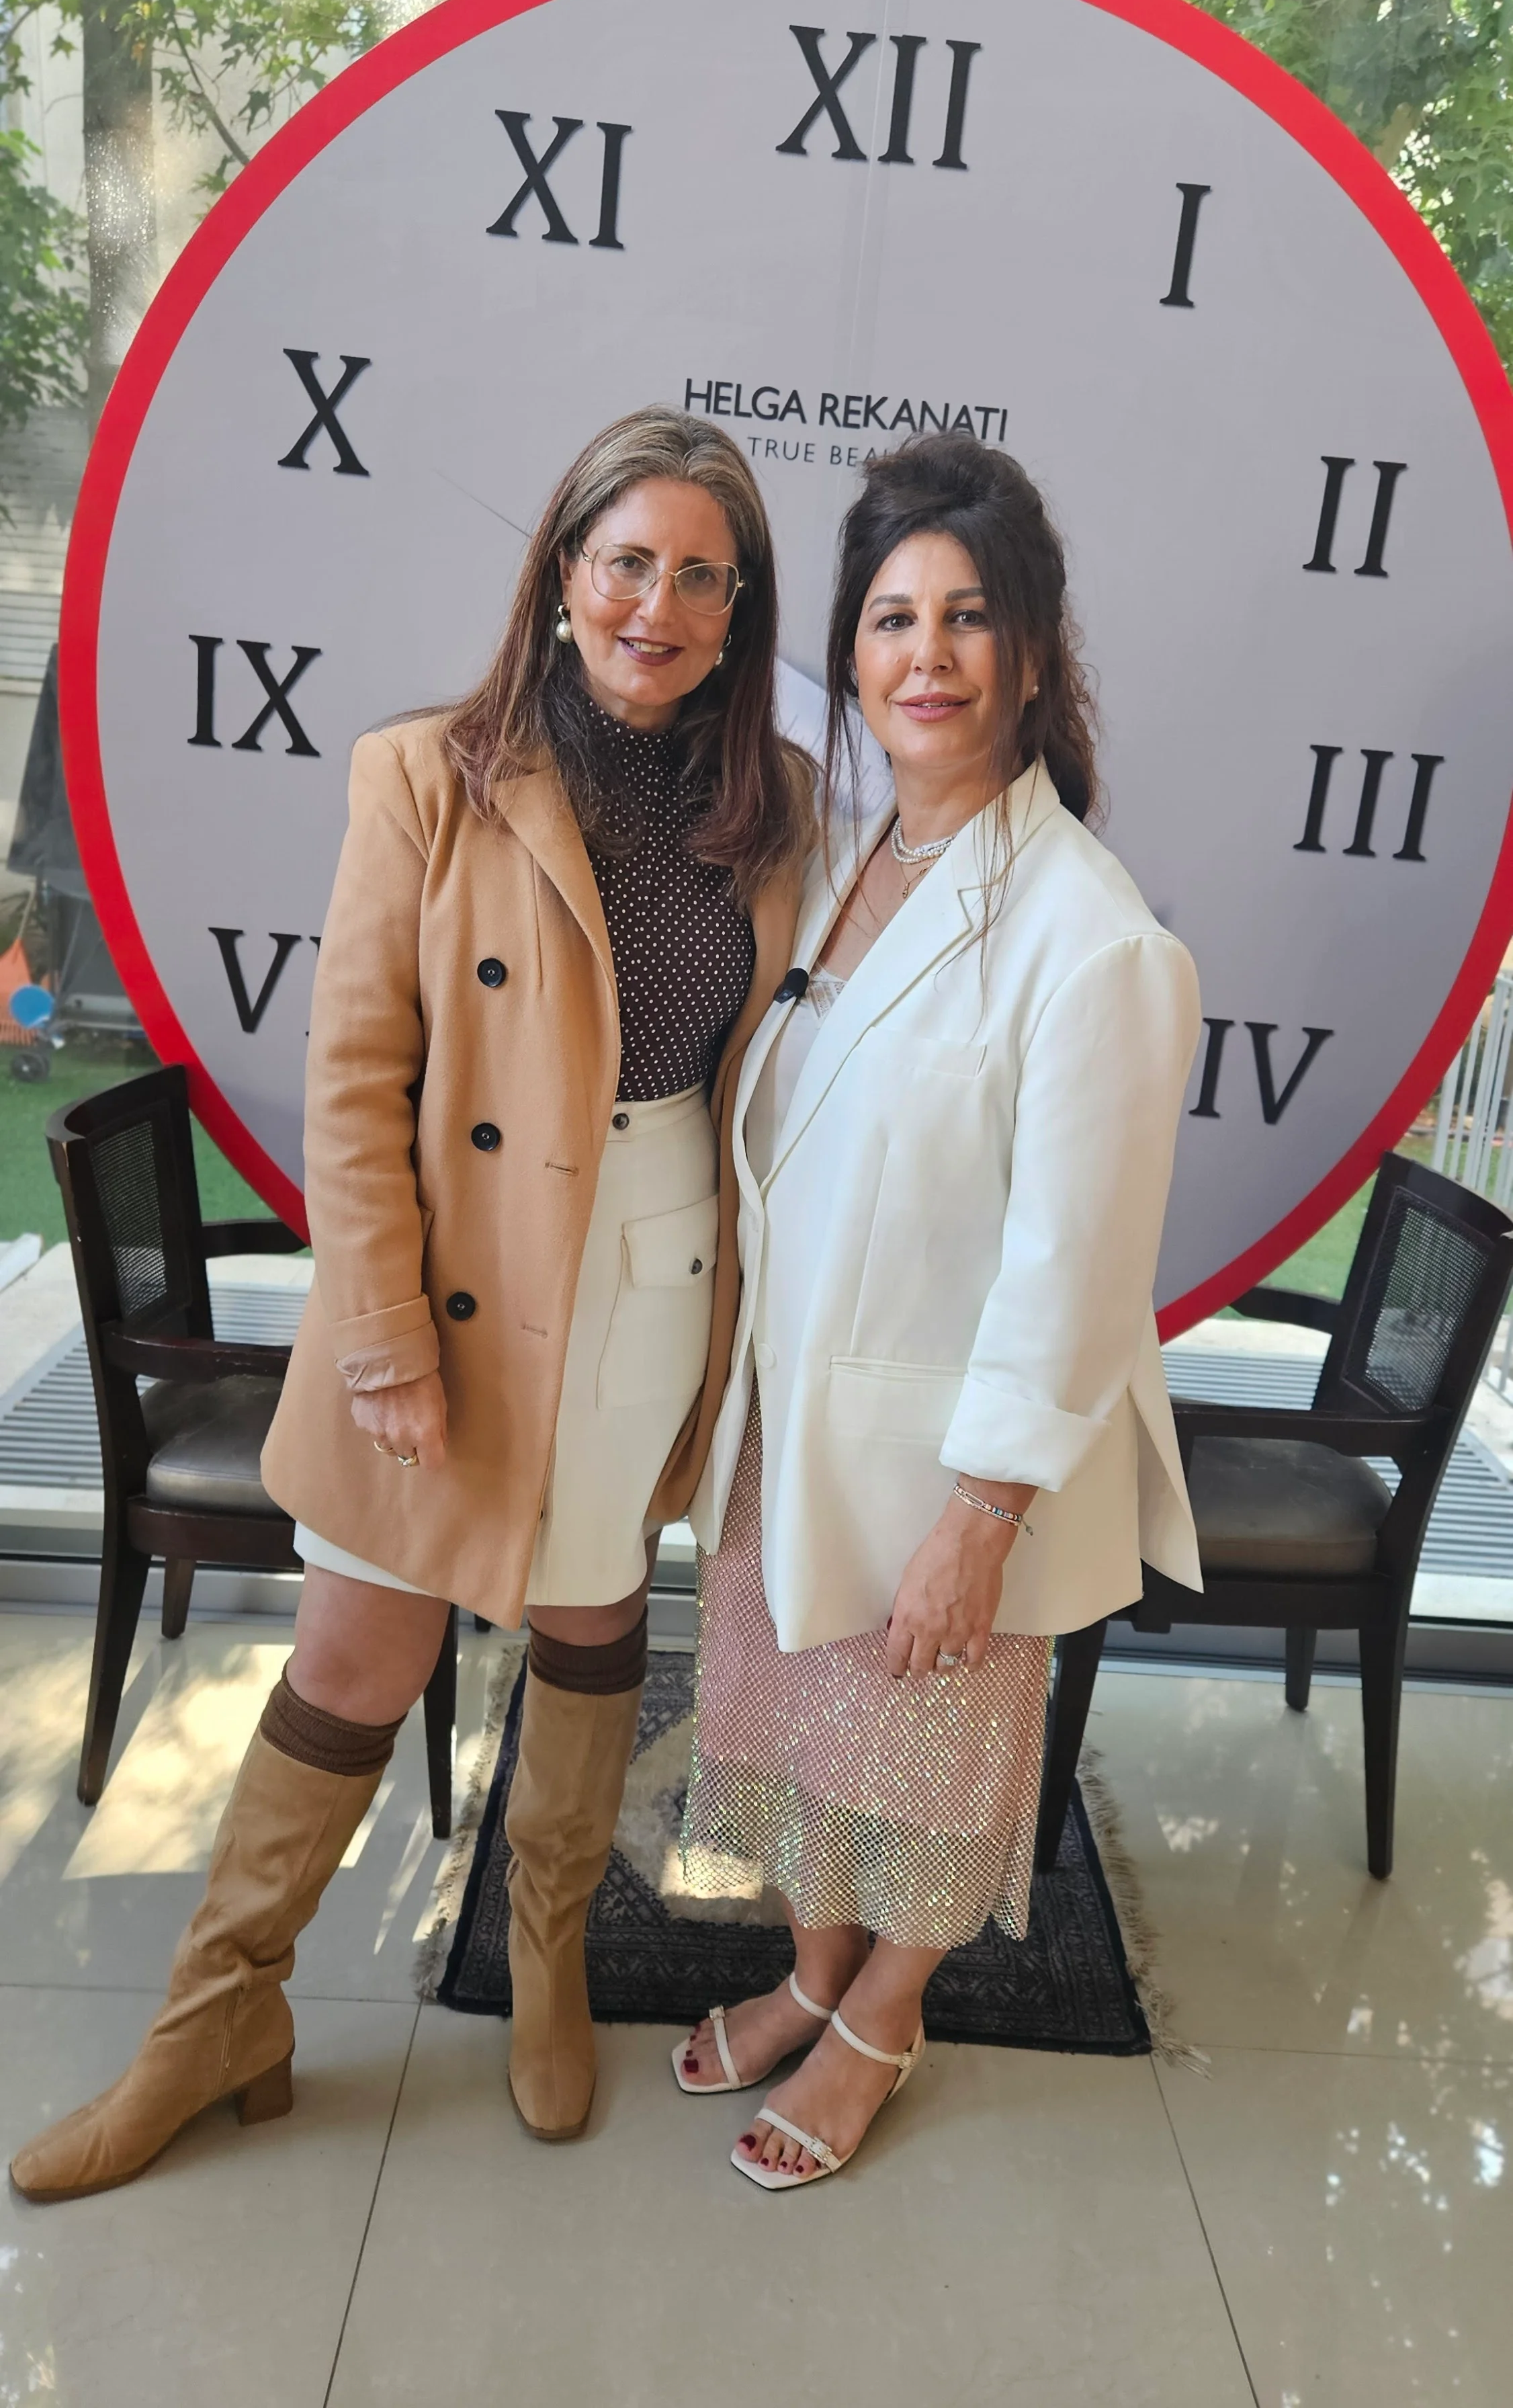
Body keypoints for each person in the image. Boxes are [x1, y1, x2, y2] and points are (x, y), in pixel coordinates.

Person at [11, 407, 812, 2202]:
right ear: (561, 572)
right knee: (357, 1658)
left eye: (703, 576)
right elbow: (354, 1074)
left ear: (740, 612)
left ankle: (546, 1958)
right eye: (628, 561)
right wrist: (377, 1333)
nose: (658, 605)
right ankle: (216, 2017)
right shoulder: (428, 771)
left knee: (594, 1616)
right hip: (460, 1278)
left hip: (659, 1261)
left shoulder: (776, 807)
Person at [675, 434, 1203, 2188]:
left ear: (1033, 654)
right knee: (799, 1733)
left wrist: (983, 1513)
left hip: (945, 1458)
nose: (927, 654)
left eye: (968, 617)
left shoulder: (1090, 937)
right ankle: (807, 1974)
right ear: (851, 649)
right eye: (892, 617)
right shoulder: (840, 857)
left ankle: (880, 2022)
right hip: (790, 1414)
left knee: (916, 1765)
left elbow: (1077, 1266)